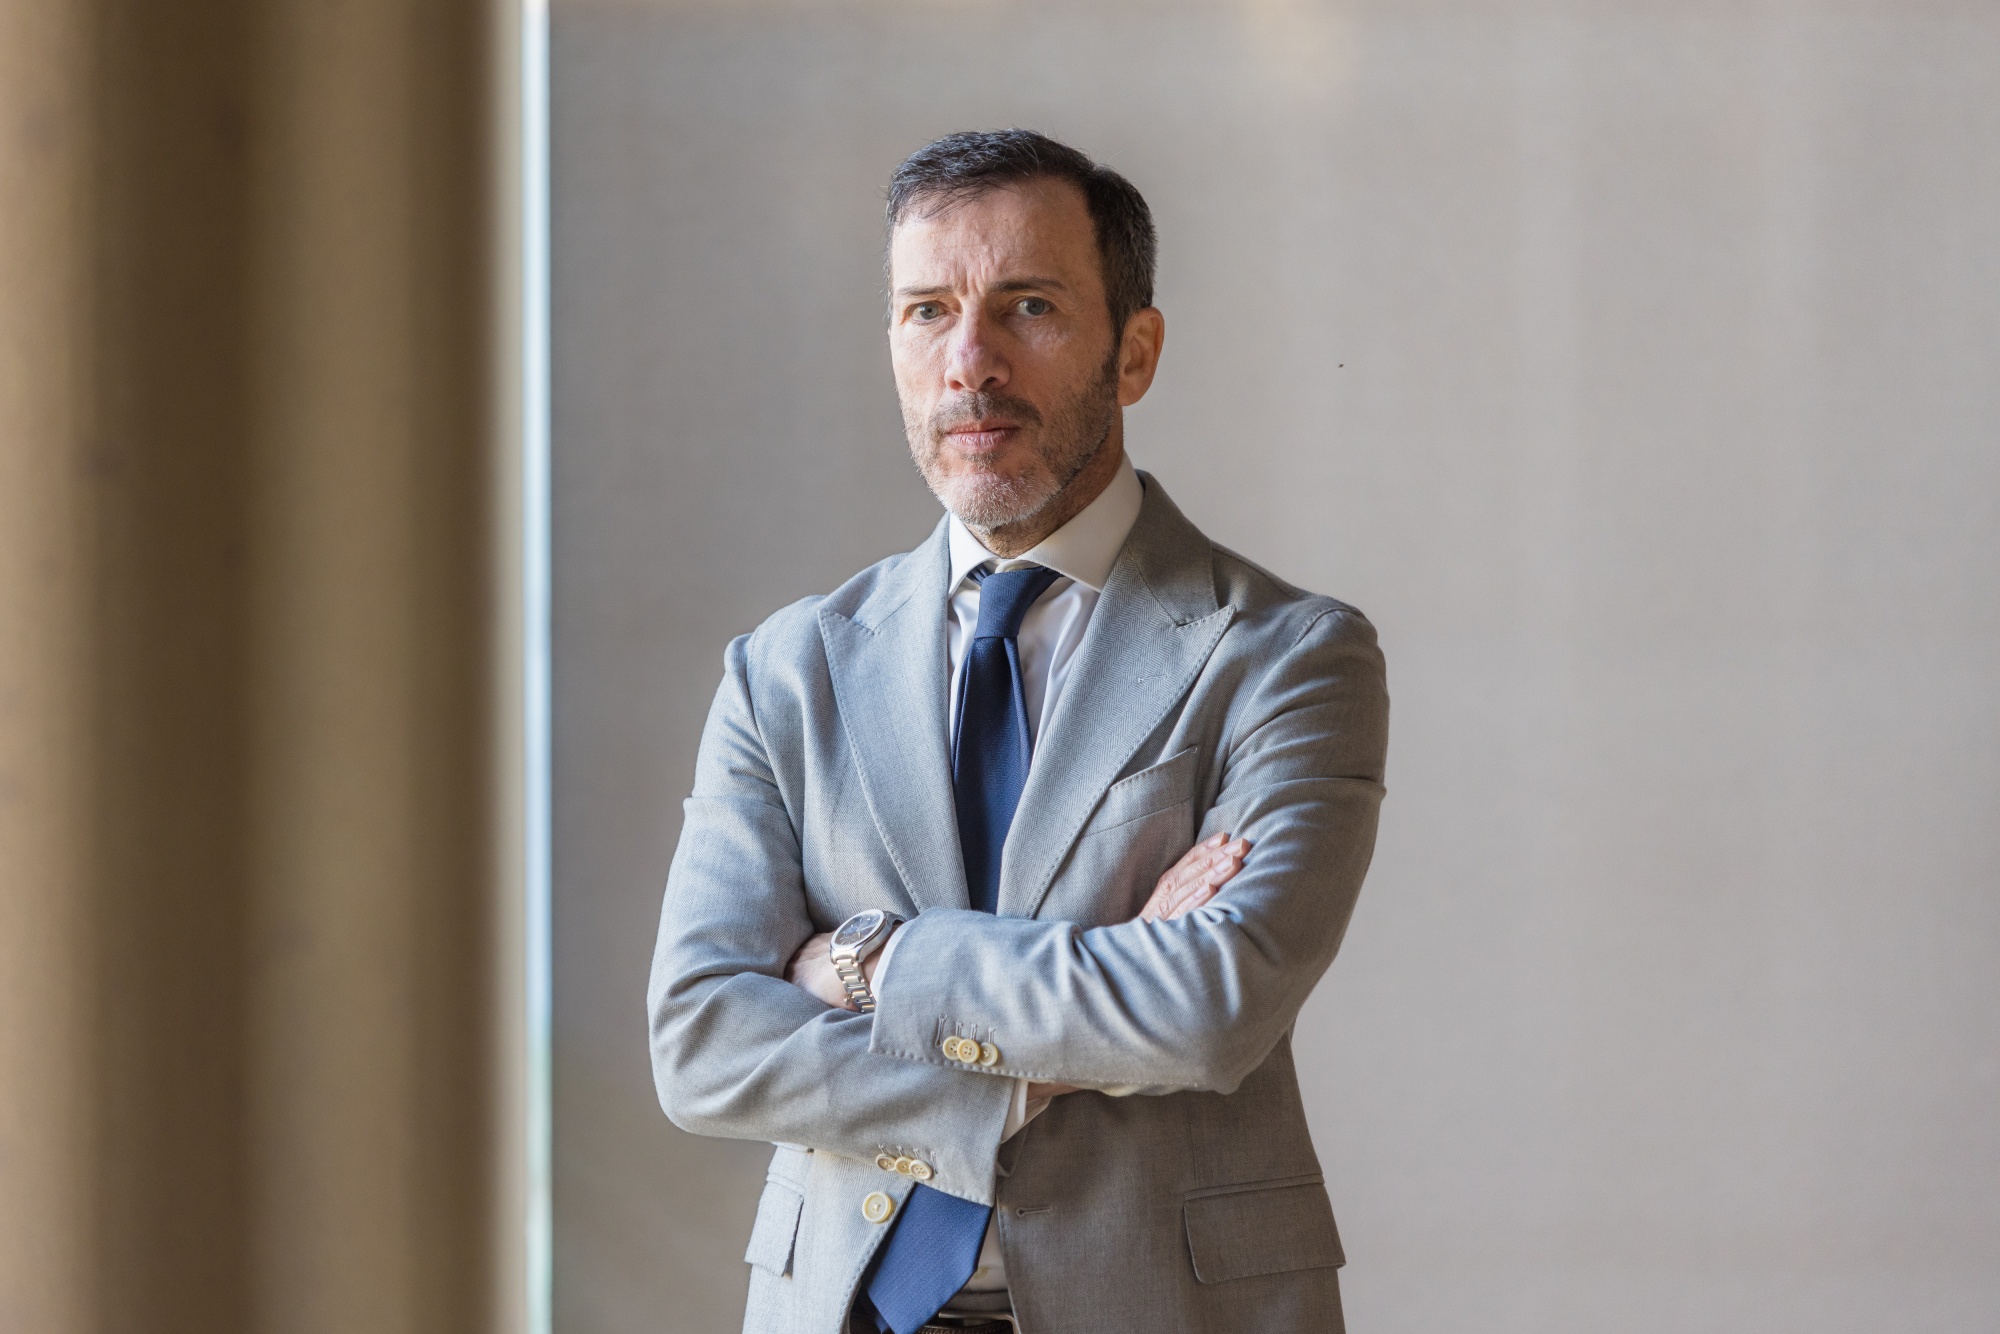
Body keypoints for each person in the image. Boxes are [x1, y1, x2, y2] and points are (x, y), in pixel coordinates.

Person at [648, 129, 1389, 1334]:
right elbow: (702, 1039)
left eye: (1027, 306)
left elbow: (1207, 1003)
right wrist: (1058, 1032)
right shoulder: (784, 670)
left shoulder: (1287, 655)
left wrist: (871, 961)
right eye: (925, 311)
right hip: (843, 1306)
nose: (968, 362)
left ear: (1132, 352)